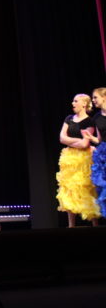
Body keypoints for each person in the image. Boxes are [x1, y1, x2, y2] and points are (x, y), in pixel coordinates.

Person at [56, 93, 99, 227]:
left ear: (84, 104)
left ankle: (95, 224)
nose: (73, 103)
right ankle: (71, 225)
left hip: (84, 158)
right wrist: (77, 141)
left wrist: (71, 141)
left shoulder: (89, 121)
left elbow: (85, 144)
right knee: (70, 189)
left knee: (87, 188)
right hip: (69, 158)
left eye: (76, 101)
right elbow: (62, 138)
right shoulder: (69, 118)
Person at [83, 88, 106, 217]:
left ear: (104, 97)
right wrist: (91, 138)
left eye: (95, 97)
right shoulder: (97, 117)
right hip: (104, 154)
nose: (93, 100)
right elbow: (100, 139)